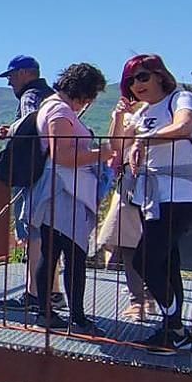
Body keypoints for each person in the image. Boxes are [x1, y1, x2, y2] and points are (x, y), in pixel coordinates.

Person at [121, 54, 192, 354]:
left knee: (144, 260)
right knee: (167, 263)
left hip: (182, 194)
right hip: (153, 197)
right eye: (131, 80)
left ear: (159, 75)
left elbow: (183, 127)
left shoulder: (182, 98)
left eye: (143, 76)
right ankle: (173, 330)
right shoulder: (144, 110)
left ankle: (176, 327)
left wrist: (144, 141)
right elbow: (124, 143)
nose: (137, 84)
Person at [29, 63, 112, 335]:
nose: (90, 101)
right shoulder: (60, 110)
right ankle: (73, 315)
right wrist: (102, 153)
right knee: (72, 255)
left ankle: (48, 312)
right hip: (65, 190)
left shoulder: (52, 106)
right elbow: (62, 156)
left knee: (52, 252)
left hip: (60, 189)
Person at [0, 55, 63, 313]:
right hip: (54, 169)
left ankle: (33, 293)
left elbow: (31, 125)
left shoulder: (30, 96)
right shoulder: (52, 95)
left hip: (33, 171)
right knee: (47, 233)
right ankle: (53, 291)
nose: (10, 83)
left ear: (24, 73)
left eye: (11, 76)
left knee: (32, 232)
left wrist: (11, 131)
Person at [96, 97, 155, 321]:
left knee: (137, 243)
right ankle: (141, 299)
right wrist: (120, 117)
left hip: (139, 183)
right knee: (131, 242)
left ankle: (141, 299)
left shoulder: (159, 110)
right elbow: (116, 145)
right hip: (136, 184)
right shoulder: (137, 116)